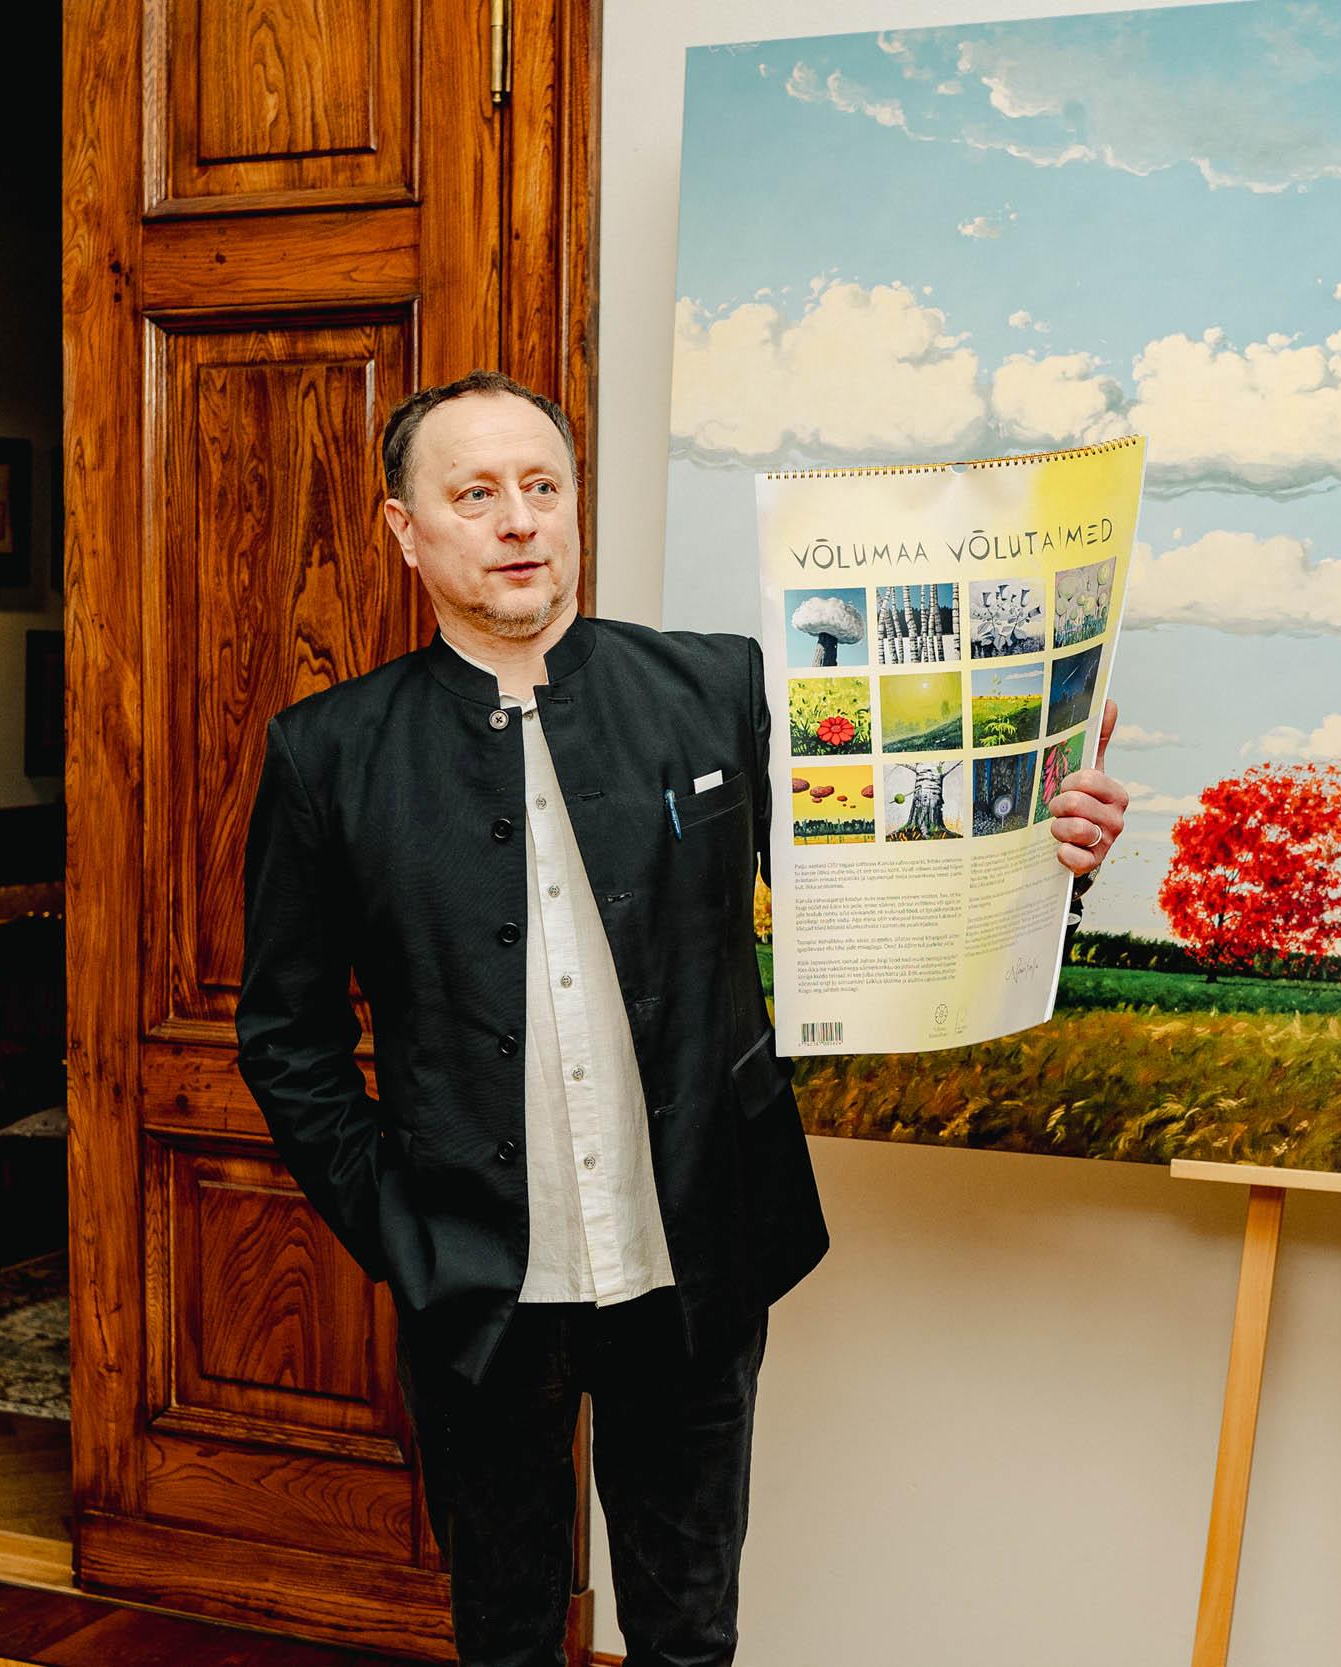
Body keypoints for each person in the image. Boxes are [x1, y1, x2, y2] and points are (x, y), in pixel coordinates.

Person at [234, 369, 1130, 1667]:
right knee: (504, 1638)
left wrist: (1048, 854)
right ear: (404, 530)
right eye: (475, 494)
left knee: (688, 1638)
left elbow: (879, 878)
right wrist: (396, 1223)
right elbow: (287, 1037)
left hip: (694, 1263)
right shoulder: (328, 752)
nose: (518, 520)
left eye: (542, 486)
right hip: (477, 1287)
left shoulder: (716, 689)